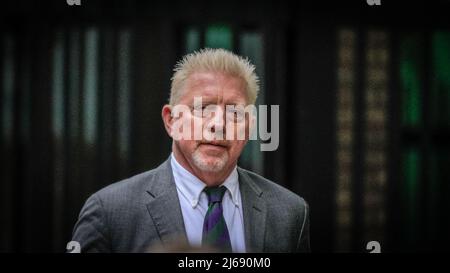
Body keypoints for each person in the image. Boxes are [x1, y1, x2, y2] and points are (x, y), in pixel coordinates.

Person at [71, 48, 310, 253]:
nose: (219, 124)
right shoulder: (111, 213)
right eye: (203, 107)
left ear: (249, 128)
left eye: (234, 112)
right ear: (171, 120)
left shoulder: (289, 213)